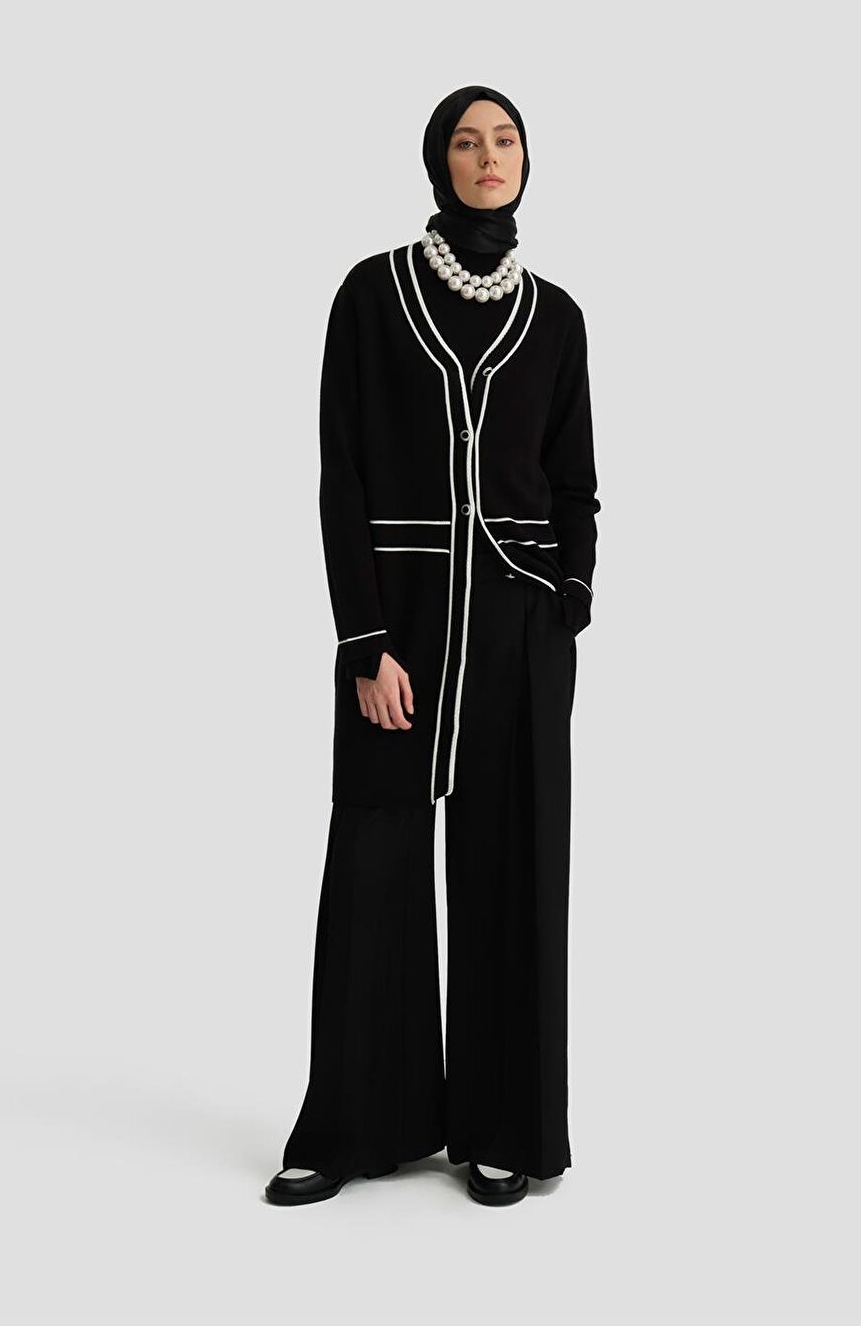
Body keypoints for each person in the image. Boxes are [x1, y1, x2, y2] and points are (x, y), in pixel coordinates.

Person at [264, 85, 600, 1208]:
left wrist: (568, 597)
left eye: (505, 140)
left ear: (526, 163)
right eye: (466, 140)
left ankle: (506, 1127)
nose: (487, 156)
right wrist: (365, 641)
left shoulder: (555, 316)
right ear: (437, 162)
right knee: (376, 866)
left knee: (515, 868)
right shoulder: (373, 293)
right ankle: (357, 1126)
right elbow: (343, 474)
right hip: (399, 627)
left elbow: (574, 480)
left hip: (519, 630)